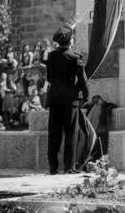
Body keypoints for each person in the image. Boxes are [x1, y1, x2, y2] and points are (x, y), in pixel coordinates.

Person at [45, 25, 89, 174]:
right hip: (70, 99)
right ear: (70, 41)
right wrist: (85, 95)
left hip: (54, 98)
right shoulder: (76, 57)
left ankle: (53, 167)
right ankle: (69, 167)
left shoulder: (51, 56)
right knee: (71, 134)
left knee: (54, 134)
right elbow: (82, 80)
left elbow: (50, 77)